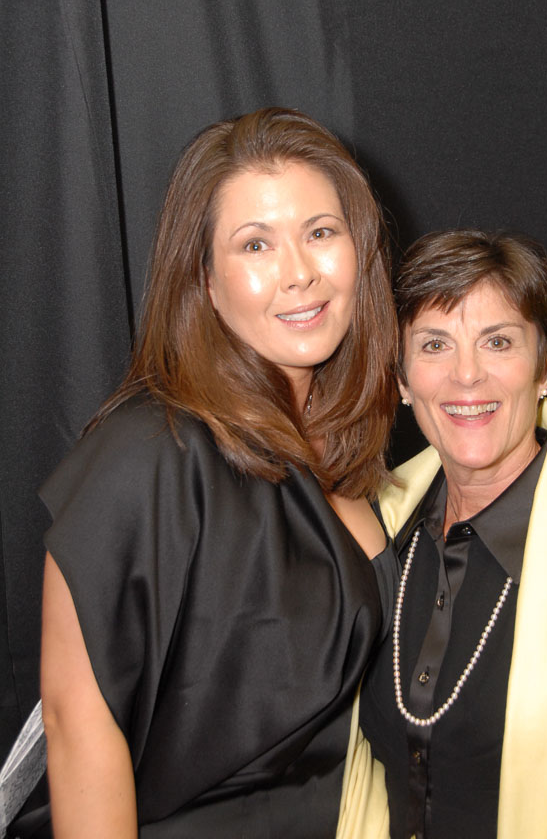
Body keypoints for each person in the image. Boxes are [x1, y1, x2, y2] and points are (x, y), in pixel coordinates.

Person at [35, 107, 400, 837]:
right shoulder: (151, 450)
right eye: (255, 244)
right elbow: (79, 729)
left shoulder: (349, 451)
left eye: (320, 233)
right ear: (203, 279)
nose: (299, 273)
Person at [356, 230, 547, 839]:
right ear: (401, 379)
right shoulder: (373, 530)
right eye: (435, 344)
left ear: (545, 367)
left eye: (498, 342)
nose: (467, 375)